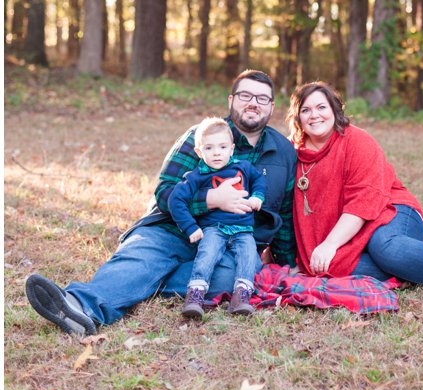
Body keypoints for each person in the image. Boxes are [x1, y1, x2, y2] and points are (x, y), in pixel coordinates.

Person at [25, 70, 297, 337]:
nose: (253, 102)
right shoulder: (200, 137)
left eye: (262, 98)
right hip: (171, 230)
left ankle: (140, 278)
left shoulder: (282, 151)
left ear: (272, 106)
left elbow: (282, 214)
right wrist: (211, 200)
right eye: (245, 95)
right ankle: (79, 306)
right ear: (230, 100)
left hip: (228, 244)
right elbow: (165, 193)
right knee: (146, 256)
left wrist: (287, 264)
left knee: (229, 277)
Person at [287, 80, 423, 312]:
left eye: (321, 107)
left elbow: (363, 202)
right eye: (306, 110)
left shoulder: (356, 141)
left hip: (392, 211)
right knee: (328, 265)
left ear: (334, 110)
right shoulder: (291, 153)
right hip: (348, 232)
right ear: (298, 118)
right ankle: (414, 265)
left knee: (384, 247)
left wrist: (330, 243)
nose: (314, 115)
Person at [168, 117, 267, 320]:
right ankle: (195, 296)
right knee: (207, 255)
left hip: (243, 229)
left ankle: (241, 296)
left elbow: (259, 180)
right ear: (199, 151)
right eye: (209, 148)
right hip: (214, 227)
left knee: (249, 256)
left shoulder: (243, 167)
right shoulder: (197, 175)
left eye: (222, 147)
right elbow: (175, 200)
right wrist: (190, 227)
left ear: (231, 149)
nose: (216, 153)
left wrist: (257, 196)